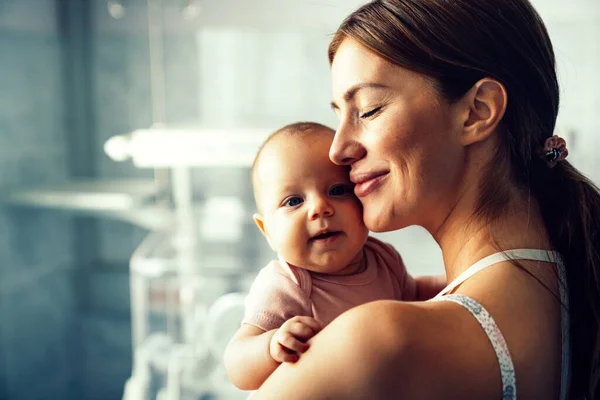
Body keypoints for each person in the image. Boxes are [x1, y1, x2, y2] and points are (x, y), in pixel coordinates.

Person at [250, 0, 600, 399]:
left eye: (367, 110)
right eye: (338, 116)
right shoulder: (571, 277)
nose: (338, 149)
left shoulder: (377, 345)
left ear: (477, 111)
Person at [224, 122, 445, 390]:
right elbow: (237, 365)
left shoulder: (381, 257)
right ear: (266, 230)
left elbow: (412, 295)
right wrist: (271, 346)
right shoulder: (287, 284)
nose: (320, 208)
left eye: (337, 191)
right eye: (293, 201)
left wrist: (461, 281)